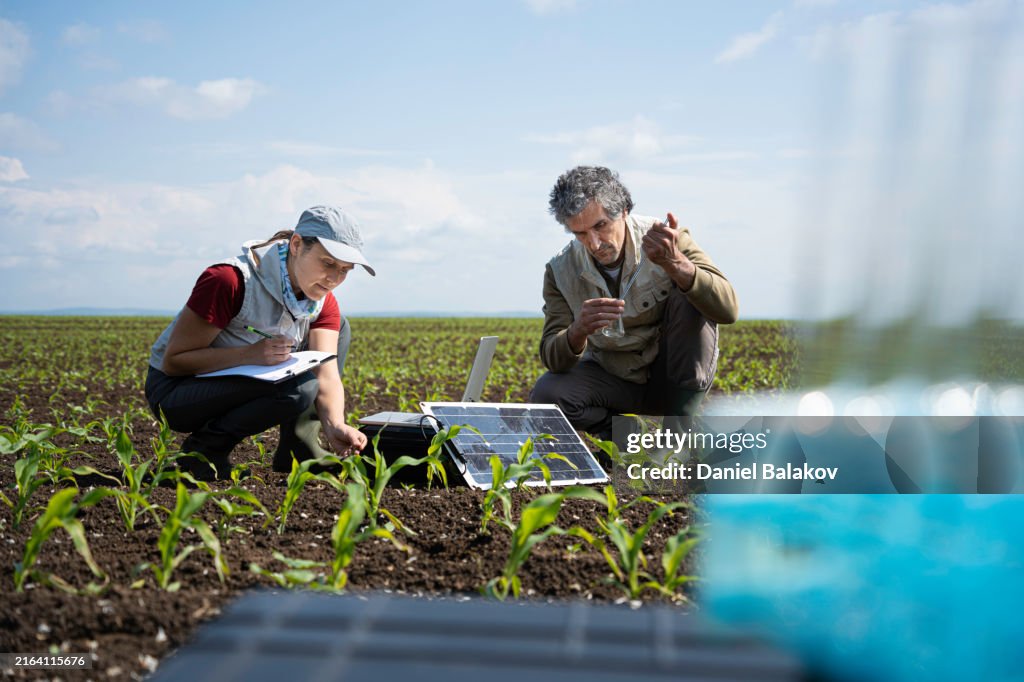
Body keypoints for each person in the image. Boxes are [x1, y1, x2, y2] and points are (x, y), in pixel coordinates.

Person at [145, 205, 372, 480]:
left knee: (340, 330)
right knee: (298, 390)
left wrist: (335, 424)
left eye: (345, 270)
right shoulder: (229, 280)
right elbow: (174, 361)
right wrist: (248, 355)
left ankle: (301, 450)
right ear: (297, 245)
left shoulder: (322, 301)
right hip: (177, 393)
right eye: (327, 263)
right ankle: (203, 453)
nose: (335, 279)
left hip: (240, 378)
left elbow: (326, 373)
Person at [530, 166, 739, 439]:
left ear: (624, 211)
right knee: (547, 396)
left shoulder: (667, 240)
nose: (593, 243)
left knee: (690, 297)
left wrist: (677, 264)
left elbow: (728, 309)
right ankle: (625, 438)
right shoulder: (560, 271)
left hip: (671, 379)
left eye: (600, 226)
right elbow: (552, 357)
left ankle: (676, 435)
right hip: (614, 379)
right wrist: (577, 330)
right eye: (579, 234)